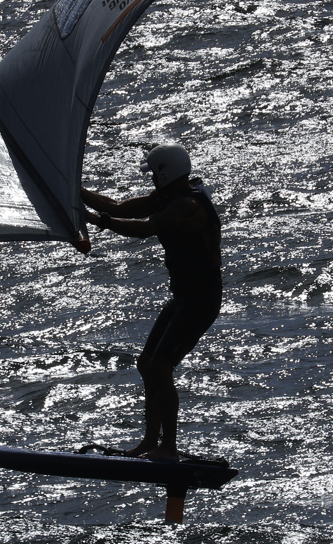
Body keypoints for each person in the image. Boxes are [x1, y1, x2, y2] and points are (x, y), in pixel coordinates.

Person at [81, 143, 222, 461]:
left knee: (160, 366)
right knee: (146, 364)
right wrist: (76, 192)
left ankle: (168, 448)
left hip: (201, 299)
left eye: (154, 175)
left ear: (164, 173)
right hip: (183, 297)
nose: (152, 181)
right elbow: (117, 207)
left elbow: (144, 230)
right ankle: (150, 443)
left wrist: (94, 220)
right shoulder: (166, 198)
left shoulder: (187, 205)